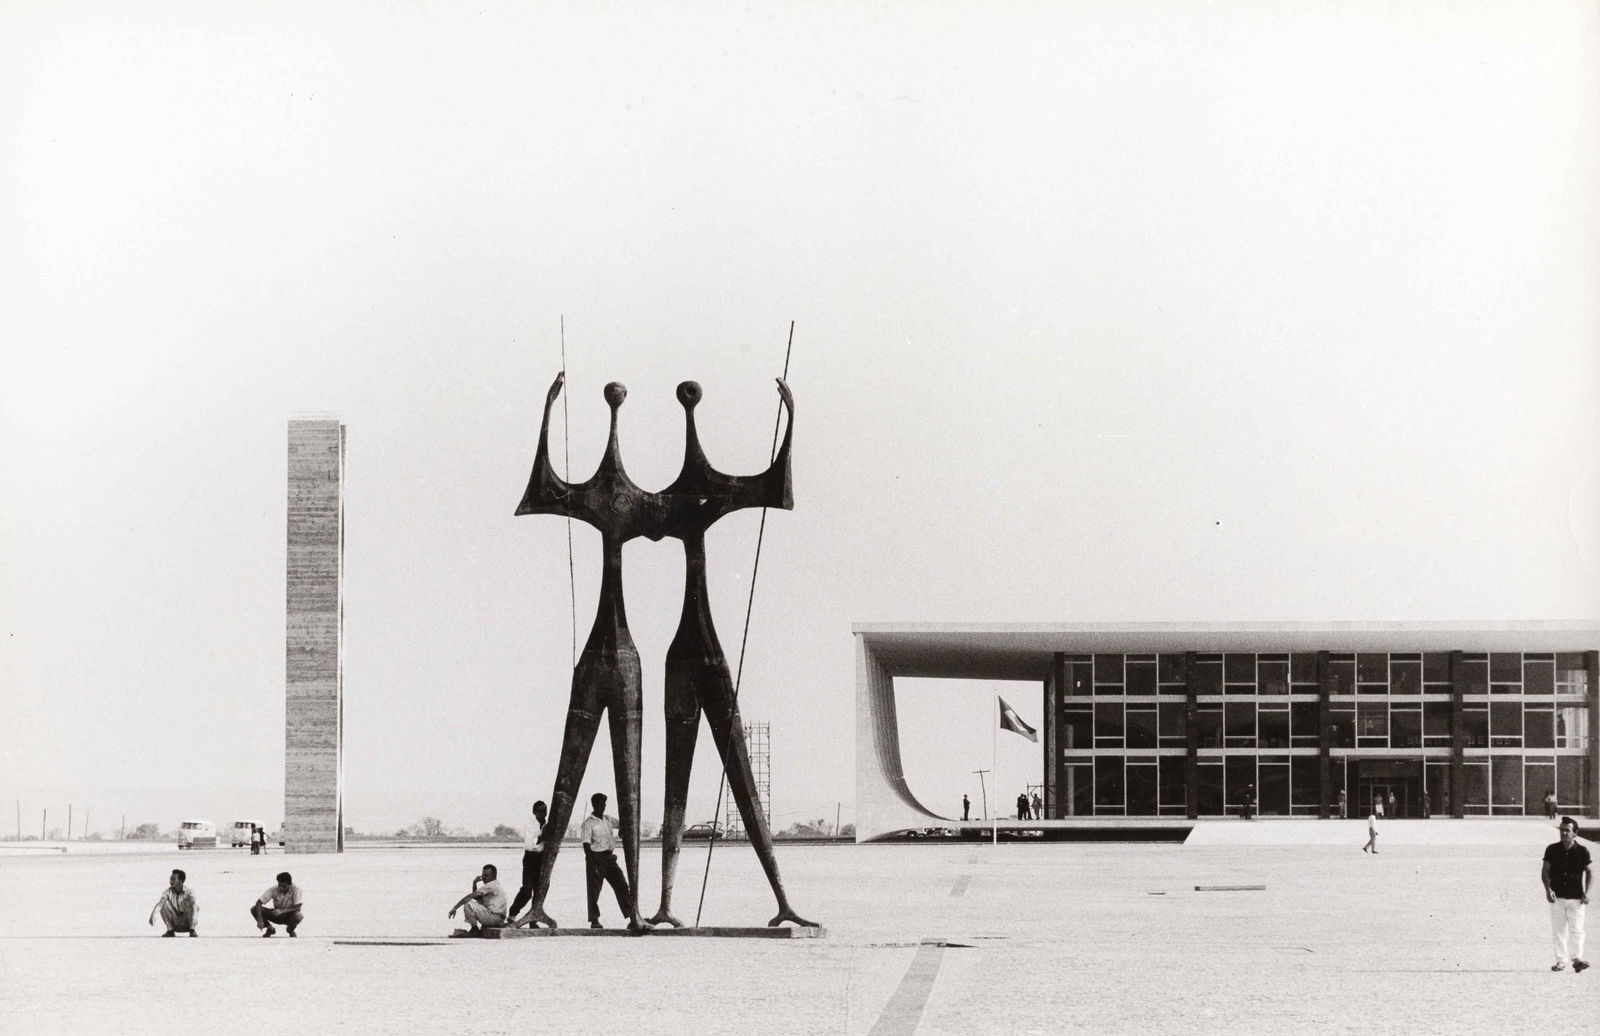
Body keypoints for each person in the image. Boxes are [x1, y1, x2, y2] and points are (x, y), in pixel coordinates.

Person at [581, 793, 638, 930]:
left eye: (604, 804)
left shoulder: (608, 820)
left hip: (609, 858)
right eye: (600, 804)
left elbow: (624, 822)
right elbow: (586, 844)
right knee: (594, 890)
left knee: (622, 885)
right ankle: (594, 919)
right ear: (595, 805)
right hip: (596, 857)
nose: (603, 806)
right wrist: (592, 862)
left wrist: (623, 829)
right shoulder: (588, 823)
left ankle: (632, 916)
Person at [1541, 816, 1591, 972]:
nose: (1563, 833)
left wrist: (1587, 892)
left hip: (1576, 897)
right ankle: (1561, 961)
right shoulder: (1552, 849)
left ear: (1575, 833)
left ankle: (1577, 959)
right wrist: (1548, 890)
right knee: (1559, 930)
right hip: (1557, 897)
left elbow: (1589, 872)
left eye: (1567, 830)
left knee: (1577, 930)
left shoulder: (1582, 851)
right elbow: (1545, 871)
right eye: (1561, 830)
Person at [508, 801, 549, 927]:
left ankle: (533, 920)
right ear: (534, 812)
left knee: (539, 890)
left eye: (545, 810)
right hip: (531, 857)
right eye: (540, 810)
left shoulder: (548, 824)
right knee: (527, 889)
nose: (543, 813)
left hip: (543, 858)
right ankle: (512, 914)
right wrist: (543, 836)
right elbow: (530, 844)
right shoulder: (530, 825)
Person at [448, 864, 508, 935]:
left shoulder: (490, 885)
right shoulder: (495, 884)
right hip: (498, 919)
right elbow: (477, 898)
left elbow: (470, 896)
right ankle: (475, 929)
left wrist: (455, 908)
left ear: (494, 876)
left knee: (468, 903)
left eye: (486, 875)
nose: (483, 877)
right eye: (483, 875)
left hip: (494, 918)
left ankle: (474, 929)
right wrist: (474, 884)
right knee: (476, 902)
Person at [251, 872, 303, 937]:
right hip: (275, 914)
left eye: (284, 886)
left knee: (298, 916)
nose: (281, 888)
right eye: (279, 885)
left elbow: (298, 907)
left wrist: (282, 911)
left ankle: (290, 929)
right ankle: (270, 928)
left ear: (290, 884)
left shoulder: (296, 889)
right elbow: (258, 903)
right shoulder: (274, 889)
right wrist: (259, 919)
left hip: (289, 916)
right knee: (254, 909)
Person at [149, 869, 198, 936]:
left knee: (193, 905)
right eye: (170, 879)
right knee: (164, 903)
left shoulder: (190, 892)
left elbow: (193, 904)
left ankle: (192, 930)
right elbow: (161, 903)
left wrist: (193, 918)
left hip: (187, 925)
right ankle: (170, 931)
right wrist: (153, 914)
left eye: (173, 879)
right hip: (175, 925)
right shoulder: (168, 892)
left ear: (182, 881)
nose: (171, 881)